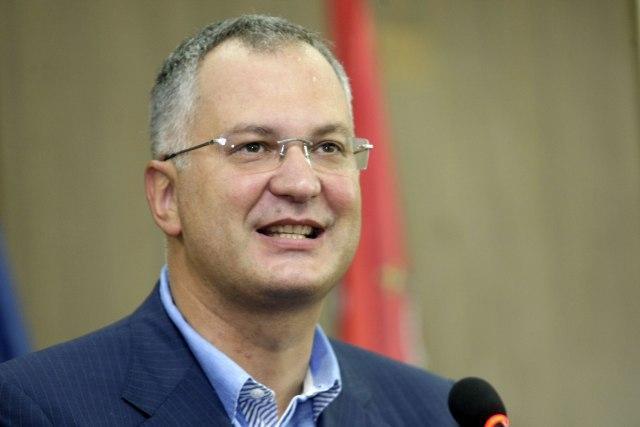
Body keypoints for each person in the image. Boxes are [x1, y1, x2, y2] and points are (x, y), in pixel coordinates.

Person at [0, 15, 456, 426]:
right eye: (254, 147)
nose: (302, 183)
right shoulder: (35, 409)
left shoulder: (437, 413)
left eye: (328, 148)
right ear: (167, 196)